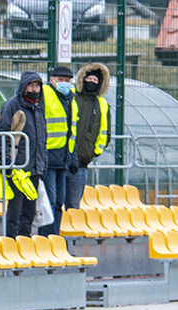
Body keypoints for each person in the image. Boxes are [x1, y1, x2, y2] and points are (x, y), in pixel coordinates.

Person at [0, 70, 47, 238]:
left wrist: (42, 163)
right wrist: (6, 159)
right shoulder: (12, 105)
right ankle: (11, 242)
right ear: (24, 87)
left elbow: (42, 138)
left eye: (37, 85)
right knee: (15, 210)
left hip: (34, 167)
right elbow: (1, 134)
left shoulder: (39, 107)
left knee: (29, 210)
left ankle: (24, 242)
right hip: (18, 167)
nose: (34, 89)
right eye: (31, 85)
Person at [39, 65, 79, 236]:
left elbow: (73, 132)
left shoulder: (71, 99)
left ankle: (54, 237)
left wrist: (73, 158)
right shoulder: (45, 94)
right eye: (61, 80)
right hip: (48, 157)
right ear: (51, 80)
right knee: (50, 201)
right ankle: (46, 238)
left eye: (68, 80)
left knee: (59, 202)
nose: (65, 83)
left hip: (63, 159)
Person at [67, 63, 111, 209]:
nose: (91, 82)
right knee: (54, 203)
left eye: (95, 80)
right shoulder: (70, 95)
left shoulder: (102, 104)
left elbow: (106, 133)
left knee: (73, 205)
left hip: (82, 162)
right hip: (61, 158)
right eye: (89, 78)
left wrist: (92, 153)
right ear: (82, 79)